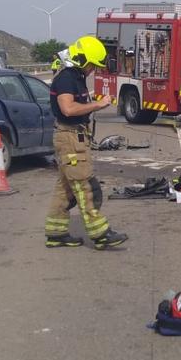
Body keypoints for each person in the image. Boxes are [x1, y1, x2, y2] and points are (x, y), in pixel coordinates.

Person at [43, 36, 128, 250]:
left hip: (74, 137)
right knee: (85, 187)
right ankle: (100, 234)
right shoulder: (66, 78)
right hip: (70, 138)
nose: (92, 70)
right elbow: (68, 109)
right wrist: (98, 105)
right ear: (83, 59)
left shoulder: (75, 77)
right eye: (92, 65)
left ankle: (56, 233)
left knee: (65, 189)